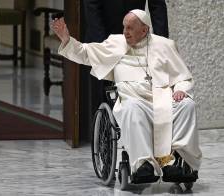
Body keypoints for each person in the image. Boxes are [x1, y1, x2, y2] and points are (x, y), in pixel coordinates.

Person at [52, 10, 202, 182]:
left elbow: (183, 76)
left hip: (163, 98)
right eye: (124, 27)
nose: (125, 31)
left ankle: (176, 163)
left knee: (187, 105)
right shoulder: (115, 43)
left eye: (130, 28)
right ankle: (143, 164)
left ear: (144, 30)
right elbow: (86, 53)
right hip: (133, 98)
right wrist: (66, 40)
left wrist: (180, 89)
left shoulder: (164, 45)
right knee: (132, 108)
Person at [80, 0, 169, 141]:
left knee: (141, 91)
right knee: (102, 93)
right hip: (103, 36)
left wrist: (162, 43)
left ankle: (143, 138)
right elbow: (92, 7)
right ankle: (103, 138)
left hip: (136, 38)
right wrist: (105, 47)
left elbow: (157, 7)